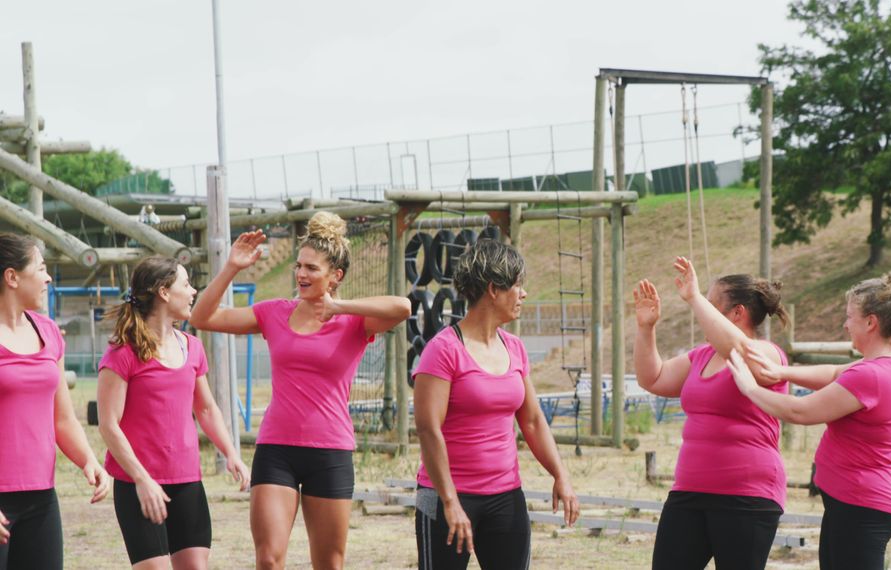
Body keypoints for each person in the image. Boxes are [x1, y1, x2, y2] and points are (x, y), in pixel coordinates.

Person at [189, 212, 409, 570]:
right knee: (268, 559)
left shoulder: (355, 321)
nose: (301, 274)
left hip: (331, 452)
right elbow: (202, 318)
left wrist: (339, 307)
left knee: (328, 563)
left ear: (335, 276)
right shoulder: (274, 312)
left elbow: (403, 307)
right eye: (299, 266)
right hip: (277, 451)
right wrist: (231, 267)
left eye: (312, 268)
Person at [726, 272, 891, 570]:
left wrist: (750, 389)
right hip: (855, 503)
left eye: (849, 317)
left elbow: (800, 412)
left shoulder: (870, 375)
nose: (845, 325)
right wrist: (782, 373)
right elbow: (835, 374)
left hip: (862, 504)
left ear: (871, 322)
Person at [413, 239, 580, 569]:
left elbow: (531, 421)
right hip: (447, 497)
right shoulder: (443, 349)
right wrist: (450, 501)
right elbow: (429, 430)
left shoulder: (515, 348)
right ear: (493, 289)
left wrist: (560, 474)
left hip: (506, 497)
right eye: (518, 285)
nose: (524, 294)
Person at [635, 257, 795, 570]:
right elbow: (652, 378)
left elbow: (738, 350)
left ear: (738, 313)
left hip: (747, 496)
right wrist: (646, 328)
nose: (701, 312)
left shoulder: (766, 353)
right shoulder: (702, 355)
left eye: (711, 304)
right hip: (690, 491)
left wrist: (693, 297)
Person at [97, 255, 251, 569]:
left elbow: (206, 408)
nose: (193, 291)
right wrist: (142, 479)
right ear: (164, 292)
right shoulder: (122, 352)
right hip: (138, 484)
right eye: (186, 284)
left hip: (186, 481)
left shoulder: (192, 346)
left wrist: (231, 452)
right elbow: (108, 425)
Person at [0, 232, 109, 570]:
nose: (48, 277)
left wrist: (88, 459)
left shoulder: (48, 332)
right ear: (12, 276)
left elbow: (62, 418)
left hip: (41, 498)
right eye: (42, 268)